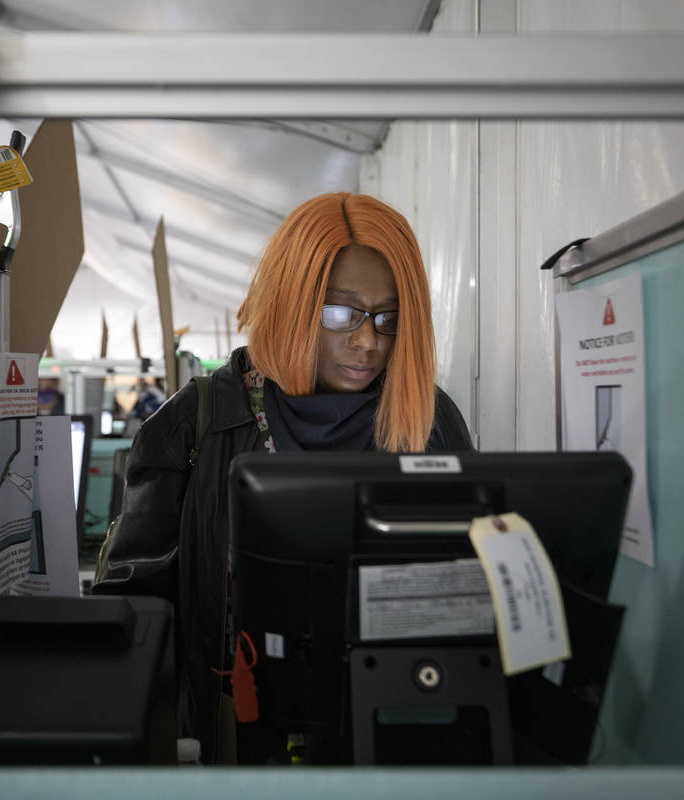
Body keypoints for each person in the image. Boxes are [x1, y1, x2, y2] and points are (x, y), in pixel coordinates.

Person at [92, 192, 473, 762]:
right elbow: (134, 617)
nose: (369, 341)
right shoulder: (195, 426)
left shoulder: (429, 419)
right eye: (342, 313)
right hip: (236, 743)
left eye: (389, 318)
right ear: (294, 300)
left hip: (389, 734)